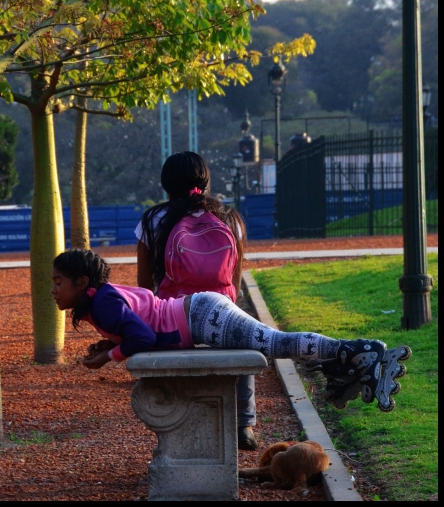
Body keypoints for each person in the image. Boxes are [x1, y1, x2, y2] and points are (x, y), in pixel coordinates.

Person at [51, 249, 411, 414]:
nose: (53, 290)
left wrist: (108, 357)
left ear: (82, 283)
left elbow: (142, 338)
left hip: (202, 317)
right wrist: (110, 342)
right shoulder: (101, 300)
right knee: (275, 343)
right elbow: (139, 323)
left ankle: (362, 351)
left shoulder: (103, 304)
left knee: (275, 343)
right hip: (199, 312)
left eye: (58, 282)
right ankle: (350, 364)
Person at [134, 151, 257, 450]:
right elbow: (235, 280)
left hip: (174, 318)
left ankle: (170, 415)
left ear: (166, 185)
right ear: (205, 181)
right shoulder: (229, 218)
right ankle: (245, 423)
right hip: (222, 311)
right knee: (245, 338)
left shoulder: (153, 219)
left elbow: (143, 282)